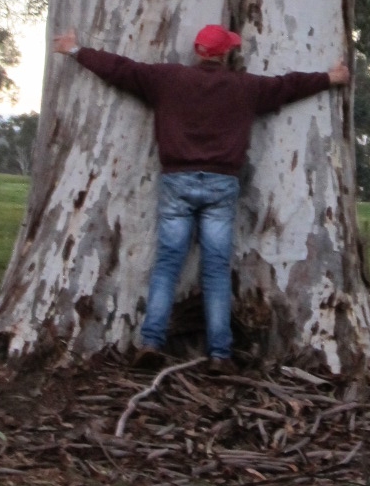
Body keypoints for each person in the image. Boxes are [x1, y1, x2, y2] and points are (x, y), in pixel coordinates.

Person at [53, 23, 350, 371]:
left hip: (177, 181)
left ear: (197, 50)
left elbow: (121, 70)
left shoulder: (167, 79)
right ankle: (220, 354)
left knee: (166, 266)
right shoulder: (245, 87)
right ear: (225, 53)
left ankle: (151, 341)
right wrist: (331, 79)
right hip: (221, 186)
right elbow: (287, 86)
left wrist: (76, 50)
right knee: (216, 272)